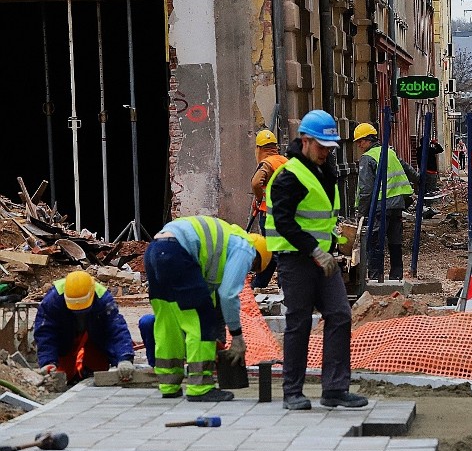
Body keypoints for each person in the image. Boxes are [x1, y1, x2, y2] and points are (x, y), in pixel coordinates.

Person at [267, 109, 368, 410]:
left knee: (339, 314)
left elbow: (322, 218)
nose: (326, 152)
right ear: (305, 141)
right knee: (298, 322)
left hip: (322, 259)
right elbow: (284, 223)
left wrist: (335, 244)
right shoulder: (289, 176)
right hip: (296, 260)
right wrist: (314, 250)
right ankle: (292, 392)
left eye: (330, 147)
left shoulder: (325, 172)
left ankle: (335, 389)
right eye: (322, 146)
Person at [143, 216, 272, 402]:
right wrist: (236, 336)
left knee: (168, 322)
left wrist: (215, 343)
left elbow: (210, 293)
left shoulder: (223, 243)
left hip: (155, 250)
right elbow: (228, 295)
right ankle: (200, 386)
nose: (248, 270)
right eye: (253, 267)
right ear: (257, 256)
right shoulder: (246, 248)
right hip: (178, 252)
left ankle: (169, 383)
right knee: (202, 320)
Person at [34, 271, 135, 385]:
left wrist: (124, 358)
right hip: (65, 336)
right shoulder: (53, 300)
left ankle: (89, 371)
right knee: (59, 375)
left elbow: (116, 329)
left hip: (94, 337)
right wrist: (48, 361)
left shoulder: (102, 298)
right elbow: (45, 332)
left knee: (99, 370)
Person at [353, 122, 417, 280]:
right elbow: (408, 169)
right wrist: (420, 180)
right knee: (395, 241)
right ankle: (396, 276)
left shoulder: (367, 159)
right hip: (398, 203)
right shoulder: (389, 152)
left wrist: (362, 213)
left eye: (360, 141)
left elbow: (366, 190)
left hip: (381, 205)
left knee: (375, 241)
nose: (359, 145)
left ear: (369, 140)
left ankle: (376, 277)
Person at [250, 129, 288, 288]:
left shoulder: (267, 163)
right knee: (273, 251)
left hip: (270, 215)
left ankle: (286, 289)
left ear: (259, 148)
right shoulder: (285, 161)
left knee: (278, 253)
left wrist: (259, 198)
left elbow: (256, 183)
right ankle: (259, 283)